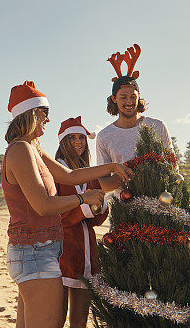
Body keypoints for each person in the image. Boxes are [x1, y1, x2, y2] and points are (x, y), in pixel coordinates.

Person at [2, 81, 131, 328]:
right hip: (35, 252)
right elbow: (43, 205)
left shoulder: (32, 148)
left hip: (40, 250)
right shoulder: (20, 150)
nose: (48, 120)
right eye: (45, 113)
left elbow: (70, 175)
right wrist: (84, 199)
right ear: (30, 113)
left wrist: (113, 167)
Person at [54, 116, 111, 328]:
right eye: (72, 138)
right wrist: (84, 207)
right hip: (61, 254)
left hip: (87, 254)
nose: (78, 142)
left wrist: (100, 206)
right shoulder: (56, 171)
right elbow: (53, 213)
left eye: (81, 137)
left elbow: (98, 218)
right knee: (55, 319)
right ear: (63, 142)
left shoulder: (89, 171)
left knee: (80, 321)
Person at [96, 44, 172, 167]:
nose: (129, 102)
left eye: (133, 96)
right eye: (123, 97)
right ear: (114, 99)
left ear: (139, 96)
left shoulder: (158, 126)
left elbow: (172, 166)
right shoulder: (104, 136)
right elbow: (105, 184)